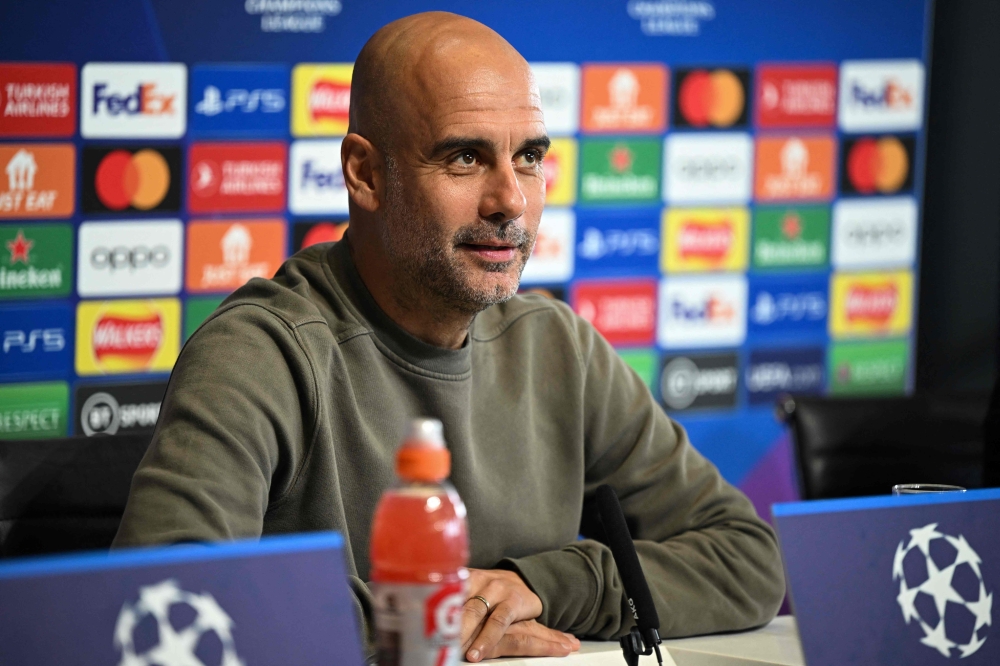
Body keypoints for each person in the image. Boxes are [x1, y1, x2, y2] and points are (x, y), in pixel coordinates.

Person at [114, 11, 785, 662]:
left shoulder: (558, 350)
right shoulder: (263, 353)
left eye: (528, 158)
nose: (510, 201)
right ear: (365, 174)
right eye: (465, 158)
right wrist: (430, 623)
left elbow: (748, 558)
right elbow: (160, 602)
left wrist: (541, 588)